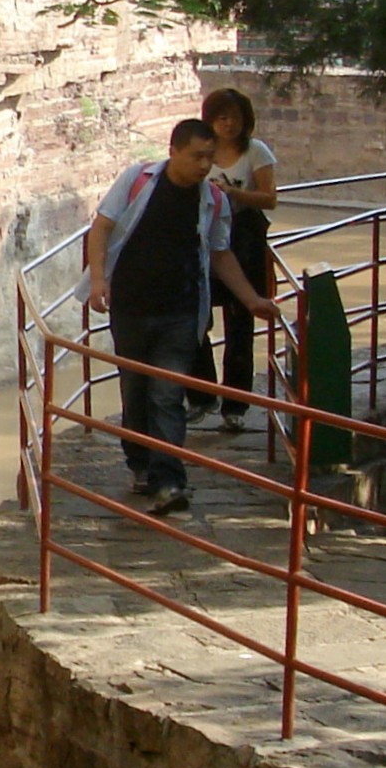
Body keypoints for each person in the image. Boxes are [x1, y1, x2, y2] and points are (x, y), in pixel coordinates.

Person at [83, 120, 282, 514]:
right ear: (173, 151)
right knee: (135, 392)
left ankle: (169, 481)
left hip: (181, 311)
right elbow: (102, 227)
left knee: (168, 394)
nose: (205, 165)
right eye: (197, 157)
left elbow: (221, 255)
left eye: (210, 157)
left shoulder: (214, 201)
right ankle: (140, 464)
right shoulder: (137, 181)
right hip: (132, 307)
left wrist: (251, 299)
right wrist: (98, 281)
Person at [191, 87, 280, 431]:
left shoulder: (256, 152)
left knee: (241, 323)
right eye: (221, 117)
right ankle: (202, 395)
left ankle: (236, 406)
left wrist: (234, 194)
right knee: (196, 318)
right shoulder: (203, 152)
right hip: (204, 240)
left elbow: (269, 199)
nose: (228, 125)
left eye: (235, 118)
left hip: (244, 240)